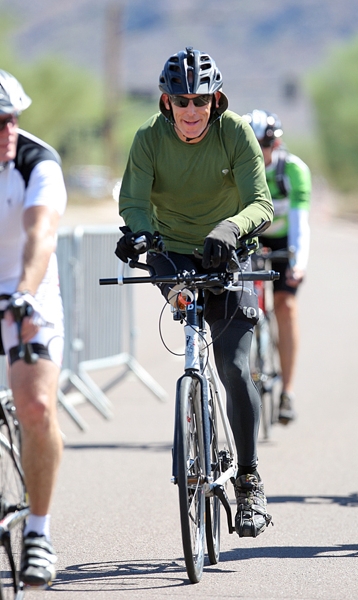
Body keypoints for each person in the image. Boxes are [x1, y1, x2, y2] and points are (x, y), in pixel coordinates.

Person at [115, 47, 274, 538]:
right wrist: (140, 234)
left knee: (231, 363)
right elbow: (134, 203)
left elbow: (261, 204)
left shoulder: (236, 134)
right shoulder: (148, 139)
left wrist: (232, 227)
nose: (191, 110)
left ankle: (249, 482)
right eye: (181, 100)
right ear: (167, 102)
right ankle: (193, 402)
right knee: (189, 327)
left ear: (215, 100)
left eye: (200, 100)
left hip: (229, 250)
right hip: (176, 254)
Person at [0, 70, 66, 586]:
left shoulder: (37, 161)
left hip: (29, 284)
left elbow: (39, 234)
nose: (7, 132)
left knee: (37, 407)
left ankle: (38, 533)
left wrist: (22, 293)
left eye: (12, 119)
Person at [243, 109, 311, 424]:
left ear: (277, 142)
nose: (260, 150)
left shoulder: (293, 170)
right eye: (253, 143)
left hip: (284, 240)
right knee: (242, 309)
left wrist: (297, 264)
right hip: (251, 240)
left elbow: (300, 223)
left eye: (265, 143)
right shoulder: (237, 169)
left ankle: (288, 391)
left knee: (286, 306)